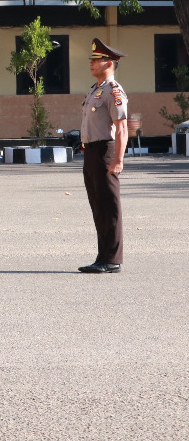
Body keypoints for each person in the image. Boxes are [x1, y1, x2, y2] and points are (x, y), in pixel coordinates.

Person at [78, 39, 128, 274]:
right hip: (91, 151)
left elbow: (122, 128)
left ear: (108, 63)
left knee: (109, 206)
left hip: (104, 151)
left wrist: (118, 160)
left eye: (95, 60)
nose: (91, 63)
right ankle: (103, 256)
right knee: (98, 206)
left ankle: (113, 259)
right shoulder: (95, 90)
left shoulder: (114, 91)